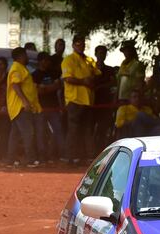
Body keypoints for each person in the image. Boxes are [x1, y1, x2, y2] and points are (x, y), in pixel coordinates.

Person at [61, 34, 100, 163]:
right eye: (78, 44)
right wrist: (84, 81)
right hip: (75, 100)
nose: (81, 46)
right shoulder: (69, 60)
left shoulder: (89, 60)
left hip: (88, 100)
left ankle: (88, 157)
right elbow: (67, 78)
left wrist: (92, 79)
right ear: (73, 45)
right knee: (74, 130)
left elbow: (97, 74)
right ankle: (70, 157)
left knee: (88, 129)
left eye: (82, 44)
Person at [5, 47, 41, 168]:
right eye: (25, 55)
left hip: (17, 107)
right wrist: (25, 101)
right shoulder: (17, 68)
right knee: (28, 133)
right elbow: (15, 85)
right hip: (20, 106)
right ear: (21, 56)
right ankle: (31, 160)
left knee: (15, 135)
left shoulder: (19, 68)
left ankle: (10, 160)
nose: (27, 57)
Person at [33, 51, 64, 161]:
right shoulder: (35, 74)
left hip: (54, 107)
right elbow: (38, 91)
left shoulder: (53, 72)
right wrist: (51, 87)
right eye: (46, 60)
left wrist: (45, 88)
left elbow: (58, 86)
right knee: (40, 133)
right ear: (41, 61)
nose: (48, 62)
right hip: (40, 108)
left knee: (58, 131)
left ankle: (58, 154)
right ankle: (42, 156)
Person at [93, 44, 116, 146]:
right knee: (90, 128)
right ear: (96, 54)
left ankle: (101, 147)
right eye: (100, 53)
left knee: (104, 127)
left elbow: (113, 83)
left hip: (106, 103)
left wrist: (101, 87)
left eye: (104, 53)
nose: (102, 55)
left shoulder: (110, 70)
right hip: (92, 102)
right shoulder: (90, 69)